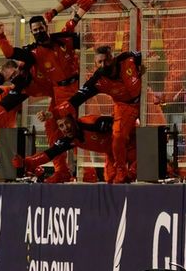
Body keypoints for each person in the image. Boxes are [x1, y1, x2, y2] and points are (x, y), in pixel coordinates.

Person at [0, 17, 80, 182]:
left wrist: (77, 17)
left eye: (40, 28)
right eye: (35, 30)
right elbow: (10, 53)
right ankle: (62, 170)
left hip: (80, 89)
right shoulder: (32, 56)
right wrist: (1, 36)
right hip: (61, 94)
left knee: (78, 128)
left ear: (46, 27)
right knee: (53, 126)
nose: (38, 32)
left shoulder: (62, 39)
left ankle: (85, 169)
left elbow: (83, 39)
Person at [58, 46, 144, 184]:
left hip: (146, 99)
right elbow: (79, 97)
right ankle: (122, 171)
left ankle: (167, 169)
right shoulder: (97, 80)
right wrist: (55, 113)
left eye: (106, 61)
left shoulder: (129, 58)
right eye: (100, 62)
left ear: (112, 58)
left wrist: (143, 69)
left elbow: (144, 60)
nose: (104, 65)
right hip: (124, 105)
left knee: (157, 136)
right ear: (95, 64)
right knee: (118, 136)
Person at [19, 113, 136, 184]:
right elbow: (50, 153)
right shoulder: (70, 139)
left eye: (66, 123)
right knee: (110, 179)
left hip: (132, 145)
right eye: (61, 126)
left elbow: (125, 126)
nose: (65, 128)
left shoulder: (94, 123)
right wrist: (27, 162)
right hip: (113, 154)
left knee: (128, 175)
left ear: (73, 120)